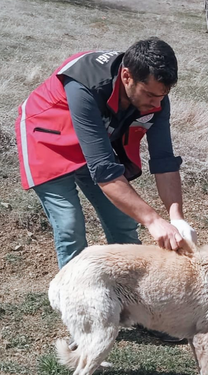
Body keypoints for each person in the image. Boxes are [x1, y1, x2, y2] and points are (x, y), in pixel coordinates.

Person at [15, 37, 197, 270]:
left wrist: (176, 217)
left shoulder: (156, 95)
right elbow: (104, 171)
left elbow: (164, 160)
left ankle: (132, 293)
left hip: (92, 140)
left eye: (162, 95)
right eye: (150, 95)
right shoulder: (85, 84)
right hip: (46, 137)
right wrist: (153, 221)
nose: (156, 103)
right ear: (127, 77)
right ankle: (78, 300)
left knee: (122, 220)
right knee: (70, 226)